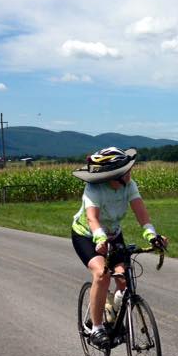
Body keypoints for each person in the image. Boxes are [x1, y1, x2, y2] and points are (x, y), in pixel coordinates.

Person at [71, 147, 167, 345]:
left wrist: (152, 235)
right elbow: (92, 218)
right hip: (87, 235)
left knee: (123, 279)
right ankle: (97, 328)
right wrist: (100, 238)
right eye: (126, 170)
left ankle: (111, 314)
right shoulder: (94, 189)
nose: (130, 172)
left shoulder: (129, 185)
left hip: (113, 235)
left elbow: (142, 214)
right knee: (102, 274)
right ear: (115, 175)